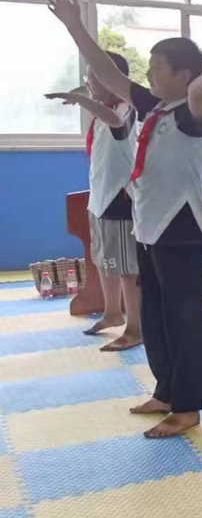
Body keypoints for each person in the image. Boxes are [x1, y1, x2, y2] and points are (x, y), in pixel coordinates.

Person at [48, 0, 202, 439]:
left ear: (184, 76)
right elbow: (109, 74)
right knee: (156, 316)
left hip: (182, 228)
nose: (148, 72)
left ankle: (187, 407)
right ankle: (166, 390)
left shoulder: (192, 116)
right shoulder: (152, 107)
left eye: (157, 67)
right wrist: (75, 26)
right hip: (148, 226)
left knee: (186, 319)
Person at [45, 55, 143, 351]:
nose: (88, 83)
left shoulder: (126, 109)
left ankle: (135, 328)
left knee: (127, 268)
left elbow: (115, 121)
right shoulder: (105, 108)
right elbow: (98, 101)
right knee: (104, 261)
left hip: (119, 198)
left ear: (112, 80)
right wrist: (83, 92)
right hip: (99, 198)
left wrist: (83, 99)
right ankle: (112, 313)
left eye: (92, 78)